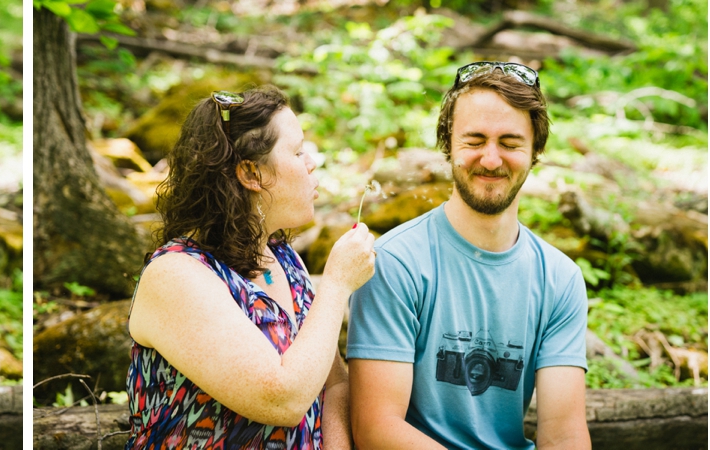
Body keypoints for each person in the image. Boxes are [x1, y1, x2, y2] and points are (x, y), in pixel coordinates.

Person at [347, 61, 590, 449]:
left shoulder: (560, 279)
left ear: (535, 151)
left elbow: (564, 436)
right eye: (474, 141)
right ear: (448, 144)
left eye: (510, 144)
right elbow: (376, 428)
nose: (491, 160)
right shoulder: (396, 262)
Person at [126, 85, 378, 449]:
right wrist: (337, 283)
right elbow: (282, 400)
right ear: (251, 174)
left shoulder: (283, 258)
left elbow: (334, 384)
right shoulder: (175, 275)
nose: (312, 162)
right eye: (297, 151)